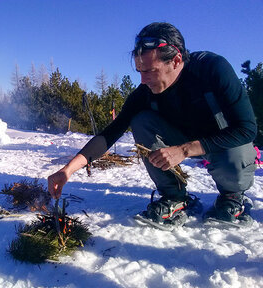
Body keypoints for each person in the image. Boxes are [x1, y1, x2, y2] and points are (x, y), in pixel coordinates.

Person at [48, 22, 257, 225]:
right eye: (139, 70)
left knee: (235, 149)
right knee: (141, 121)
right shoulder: (145, 93)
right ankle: (175, 197)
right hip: (182, 141)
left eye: (149, 71)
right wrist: (67, 170)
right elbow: (111, 132)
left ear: (175, 60)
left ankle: (232, 195)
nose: (142, 80)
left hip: (222, 142)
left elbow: (246, 128)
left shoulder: (211, 69)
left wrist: (184, 150)